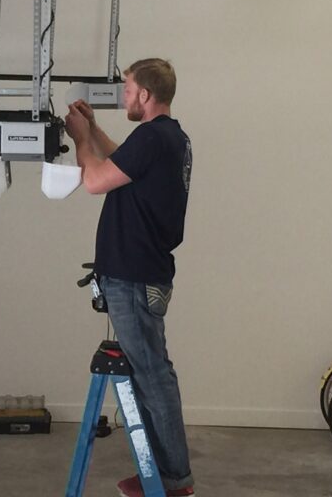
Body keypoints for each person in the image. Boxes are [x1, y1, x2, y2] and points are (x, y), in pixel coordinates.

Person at [64, 58, 195, 497]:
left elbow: (97, 180)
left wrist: (82, 140)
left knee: (153, 377)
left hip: (135, 278)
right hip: (140, 274)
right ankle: (164, 476)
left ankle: (173, 482)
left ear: (145, 95)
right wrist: (94, 130)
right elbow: (122, 160)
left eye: (127, 89)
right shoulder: (165, 138)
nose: (124, 96)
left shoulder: (154, 138)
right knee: (152, 375)